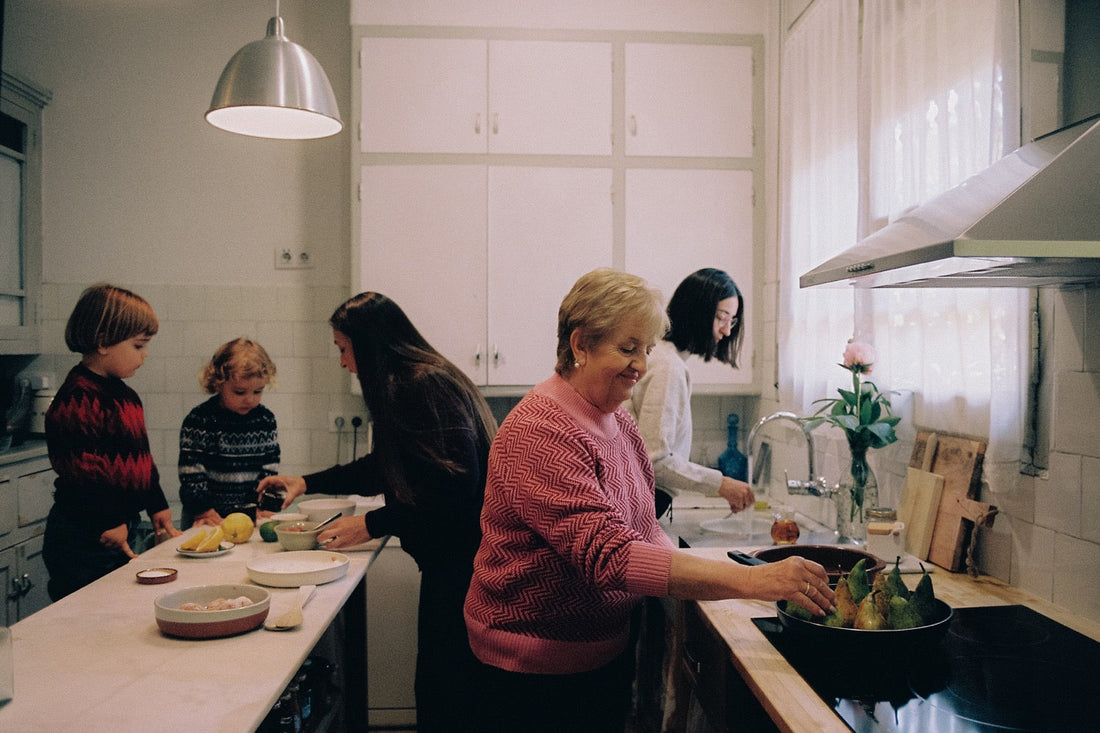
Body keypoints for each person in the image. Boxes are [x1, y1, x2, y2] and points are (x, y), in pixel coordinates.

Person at [463, 268, 835, 733]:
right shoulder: (542, 429)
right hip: (531, 667)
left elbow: (645, 530)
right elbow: (609, 556)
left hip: (598, 651)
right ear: (580, 345)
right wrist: (752, 581)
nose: (640, 364)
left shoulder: (616, 422)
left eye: (647, 349)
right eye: (627, 347)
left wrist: (725, 578)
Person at [257, 292, 497, 733]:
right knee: (447, 692)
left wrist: (370, 524)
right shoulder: (416, 381)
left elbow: (454, 486)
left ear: (368, 344)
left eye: (343, 348)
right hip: (457, 562)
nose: (344, 362)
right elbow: (386, 469)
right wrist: (306, 483)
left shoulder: (419, 385)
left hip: (463, 567)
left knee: (447, 696)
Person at [43, 284, 182, 601]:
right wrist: (109, 520)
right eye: (138, 345)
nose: (144, 354)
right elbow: (83, 474)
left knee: (113, 605)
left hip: (118, 525)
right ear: (104, 341)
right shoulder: (79, 397)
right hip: (83, 532)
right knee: (83, 609)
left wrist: (156, 504)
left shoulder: (126, 396)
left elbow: (142, 461)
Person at [629, 268, 754, 518]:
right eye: (721, 318)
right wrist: (722, 484)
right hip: (646, 497)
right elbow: (654, 460)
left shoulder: (666, 359)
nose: (727, 331)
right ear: (697, 313)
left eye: (733, 321)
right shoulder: (668, 366)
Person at [178, 338, 280, 528]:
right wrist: (203, 510)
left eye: (258, 391)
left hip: (250, 515)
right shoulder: (200, 420)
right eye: (240, 392)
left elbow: (270, 470)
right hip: (206, 515)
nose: (249, 399)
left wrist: (266, 505)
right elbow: (191, 474)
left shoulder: (265, 420)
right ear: (218, 384)